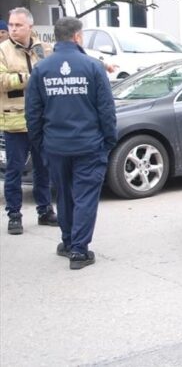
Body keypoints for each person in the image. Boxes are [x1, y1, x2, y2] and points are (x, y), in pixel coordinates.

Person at [26, 17, 116, 270]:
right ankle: (79, 250)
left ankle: (68, 242)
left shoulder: (42, 69)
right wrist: (109, 139)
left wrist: (41, 143)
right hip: (88, 144)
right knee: (85, 196)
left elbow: (32, 113)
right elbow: (106, 109)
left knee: (64, 194)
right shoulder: (92, 66)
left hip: (55, 145)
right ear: (77, 37)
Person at [0, 7, 58, 234]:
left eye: (18, 25)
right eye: (11, 25)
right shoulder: (3, 51)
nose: (13, 29)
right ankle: (14, 215)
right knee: (14, 170)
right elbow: (2, 81)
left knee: (43, 168)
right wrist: (31, 77)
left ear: (29, 27)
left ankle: (45, 210)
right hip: (14, 121)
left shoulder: (43, 49)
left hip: (42, 120)